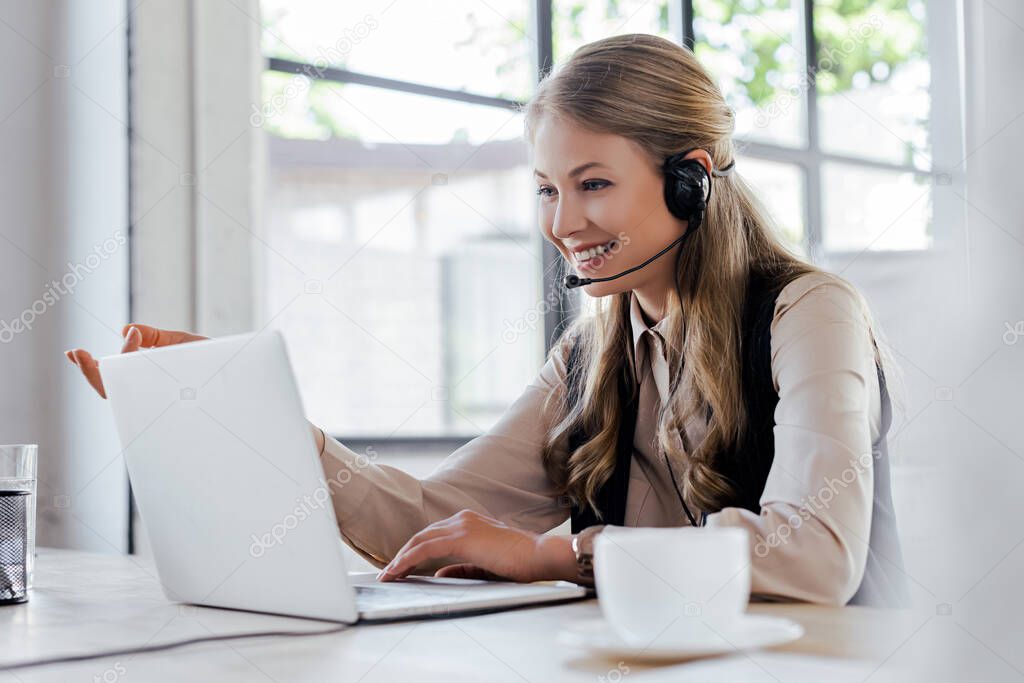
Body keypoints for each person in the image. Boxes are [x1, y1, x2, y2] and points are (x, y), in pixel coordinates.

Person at [66, 34, 908, 607]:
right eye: (547, 188)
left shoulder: (807, 312)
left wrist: (557, 553)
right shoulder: (591, 355)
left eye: (594, 183)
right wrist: (255, 423)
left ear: (691, 178)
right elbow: (435, 516)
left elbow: (814, 554)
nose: (562, 223)